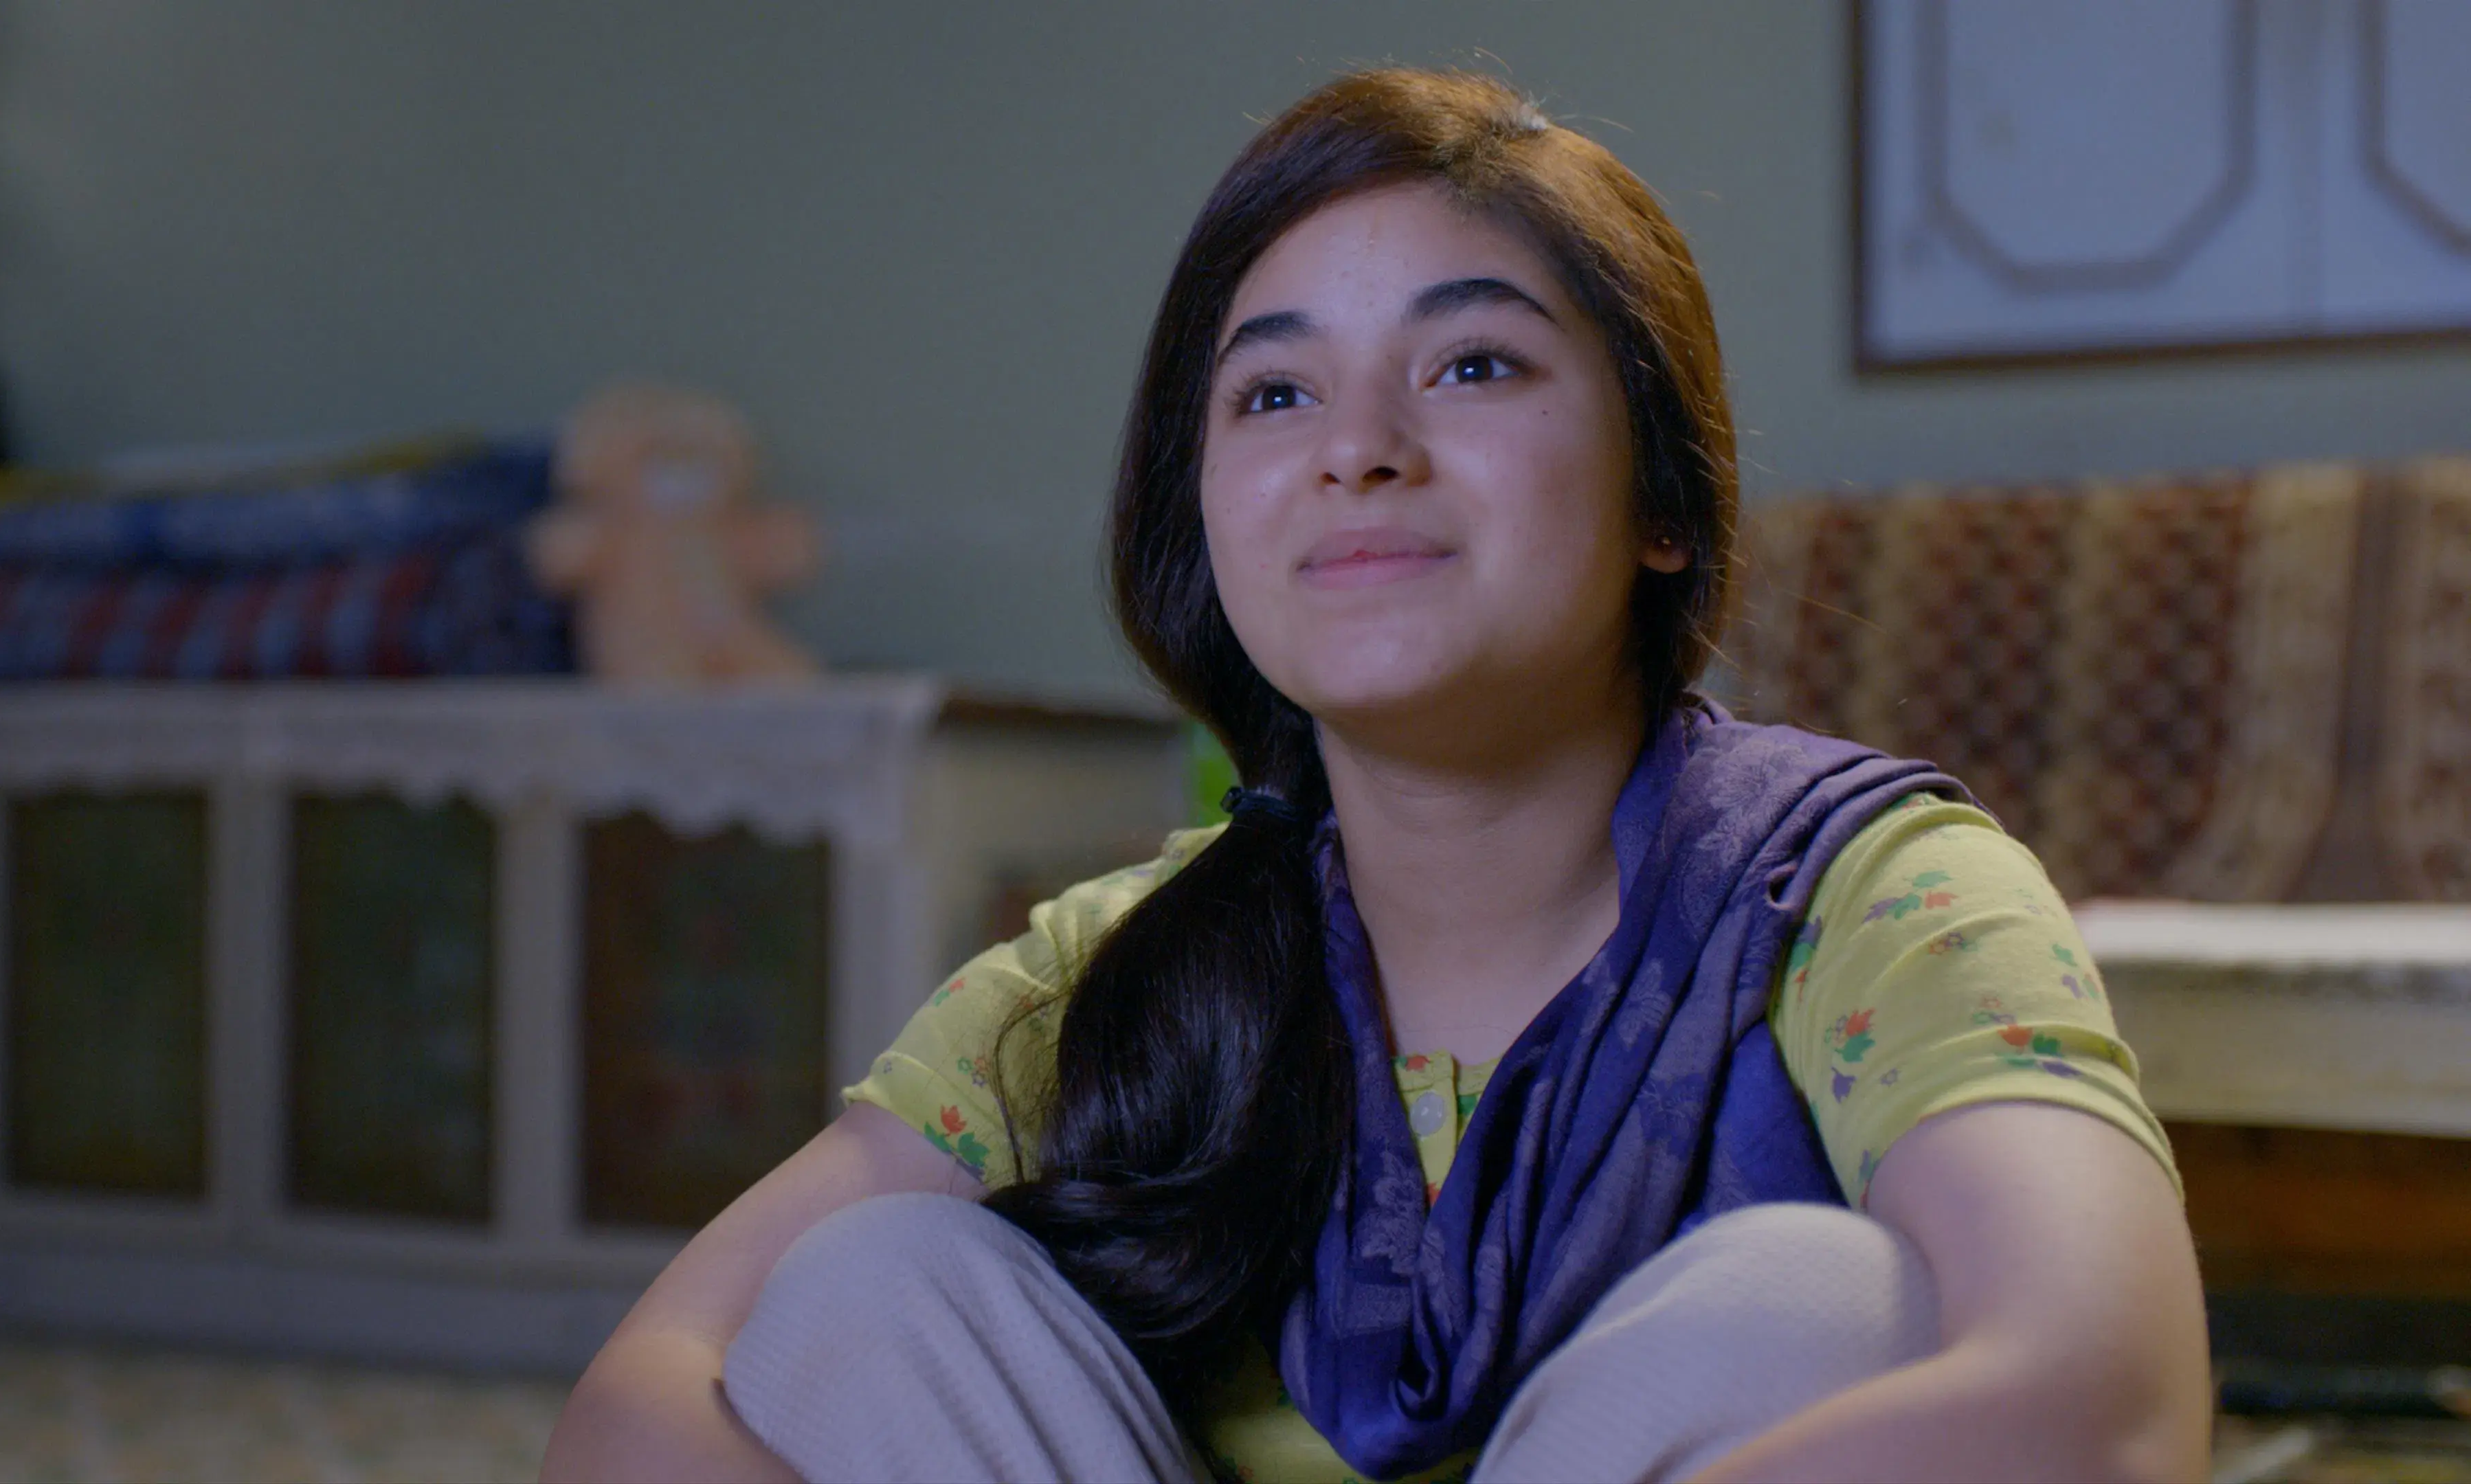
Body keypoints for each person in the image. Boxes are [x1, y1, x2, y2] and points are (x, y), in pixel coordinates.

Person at [544, 69, 2209, 1484]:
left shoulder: (1869, 899)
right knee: (879, 1283)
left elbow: (2107, 1408)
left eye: (1473, 364)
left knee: (1818, 1308)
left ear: (1663, 498)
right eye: (1274, 392)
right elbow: (634, 1410)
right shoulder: (1116, 973)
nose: (1357, 448)